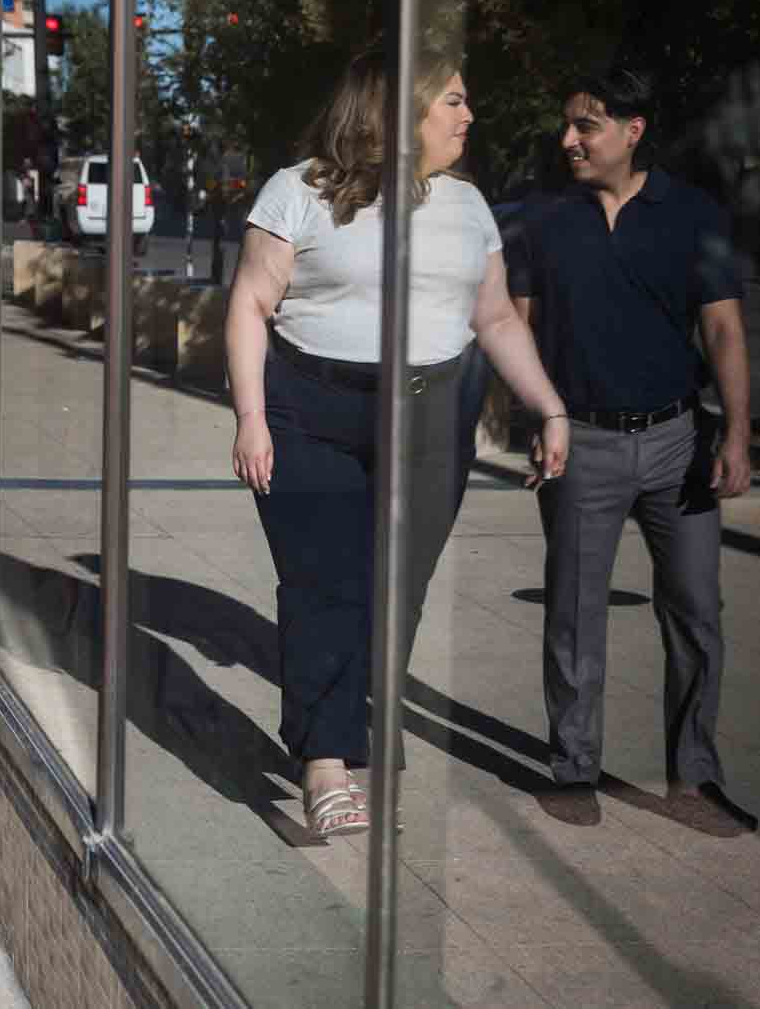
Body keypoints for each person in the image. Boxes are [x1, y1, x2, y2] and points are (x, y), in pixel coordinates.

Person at [225, 49, 569, 839]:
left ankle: (347, 714)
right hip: (312, 409)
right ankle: (324, 760)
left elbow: (496, 319)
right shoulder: (299, 190)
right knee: (324, 584)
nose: (467, 115)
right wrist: (251, 416)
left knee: (397, 587)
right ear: (398, 108)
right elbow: (249, 302)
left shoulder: (467, 204)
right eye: (452, 99)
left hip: (431, 415)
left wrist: (547, 406)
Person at [508, 67, 756, 832]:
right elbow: (515, 323)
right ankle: (574, 767)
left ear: (633, 129)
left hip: (679, 440)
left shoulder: (690, 213)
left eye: (585, 125)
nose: (569, 140)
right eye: (568, 126)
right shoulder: (544, 220)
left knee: (695, 612)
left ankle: (695, 776)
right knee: (576, 614)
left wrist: (740, 432)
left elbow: (721, 328)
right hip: (580, 442)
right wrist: (532, 419)